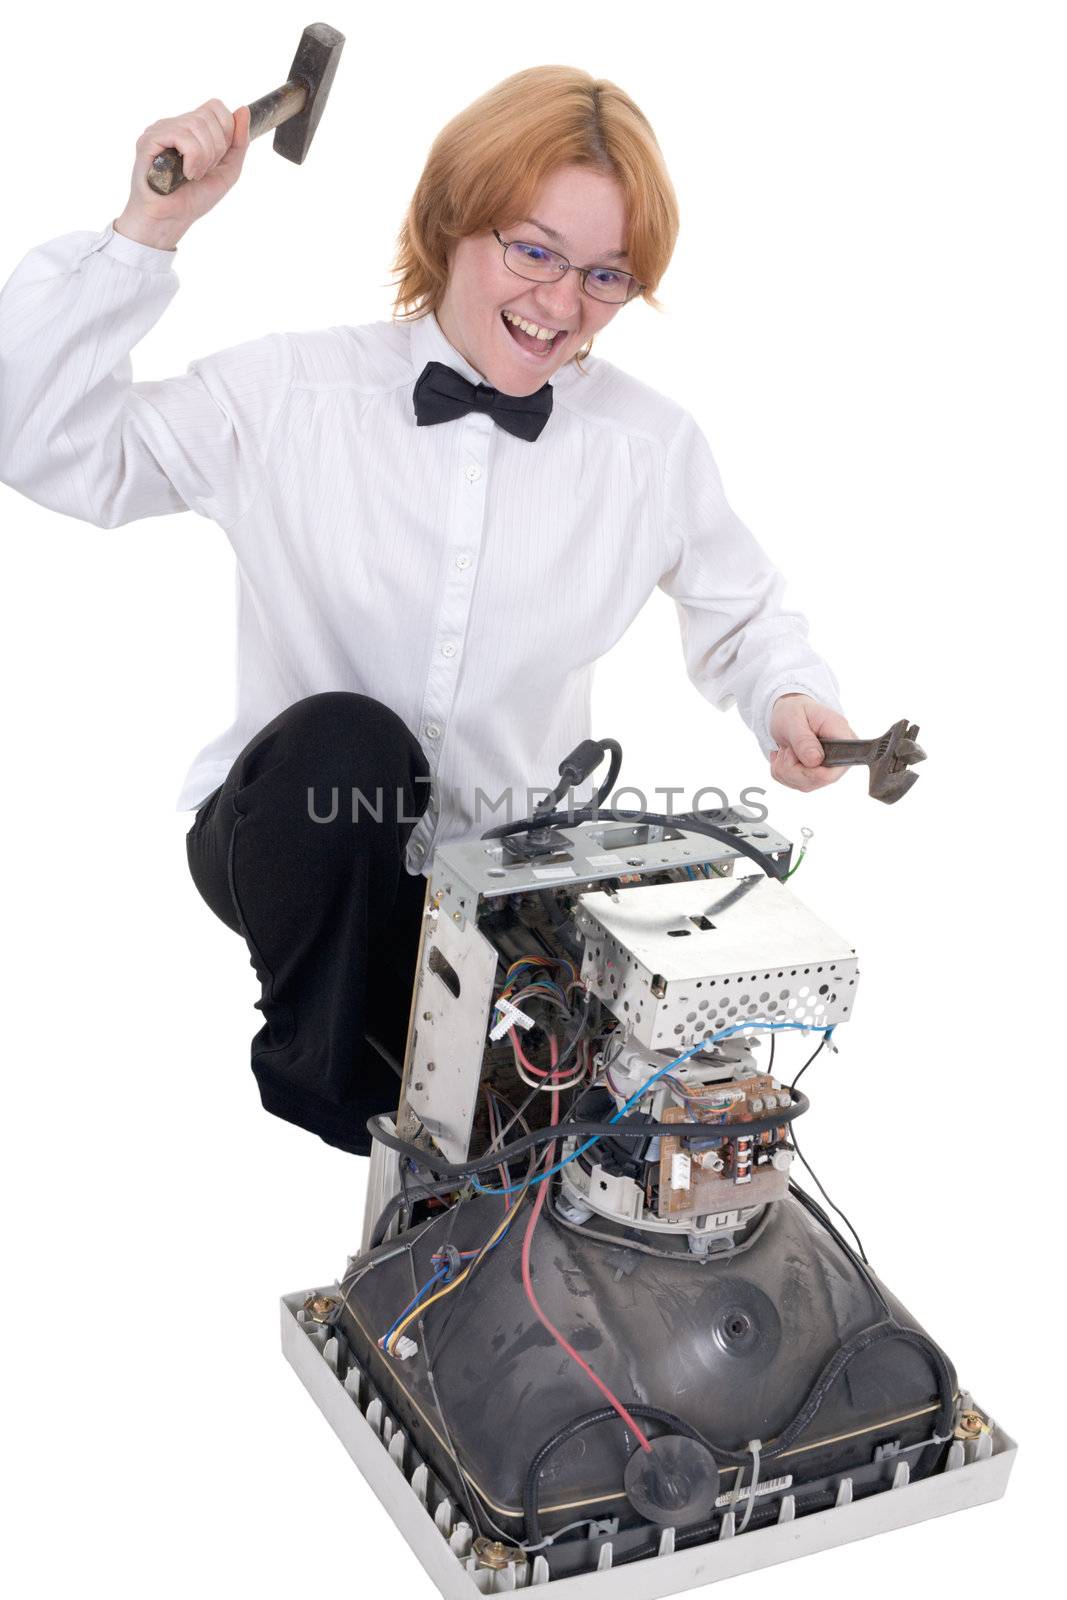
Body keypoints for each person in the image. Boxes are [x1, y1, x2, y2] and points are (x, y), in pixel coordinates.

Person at [0, 66, 855, 1156]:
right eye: (532, 250)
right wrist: (149, 227)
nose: (558, 305)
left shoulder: (649, 450)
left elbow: (744, 611)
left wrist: (792, 696)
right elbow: (37, 438)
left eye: (603, 275)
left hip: (499, 886)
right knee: (349, 744)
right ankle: (355, 1099)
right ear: (453, 219)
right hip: (299, 845)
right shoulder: (289, 395)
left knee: (617, 1062)